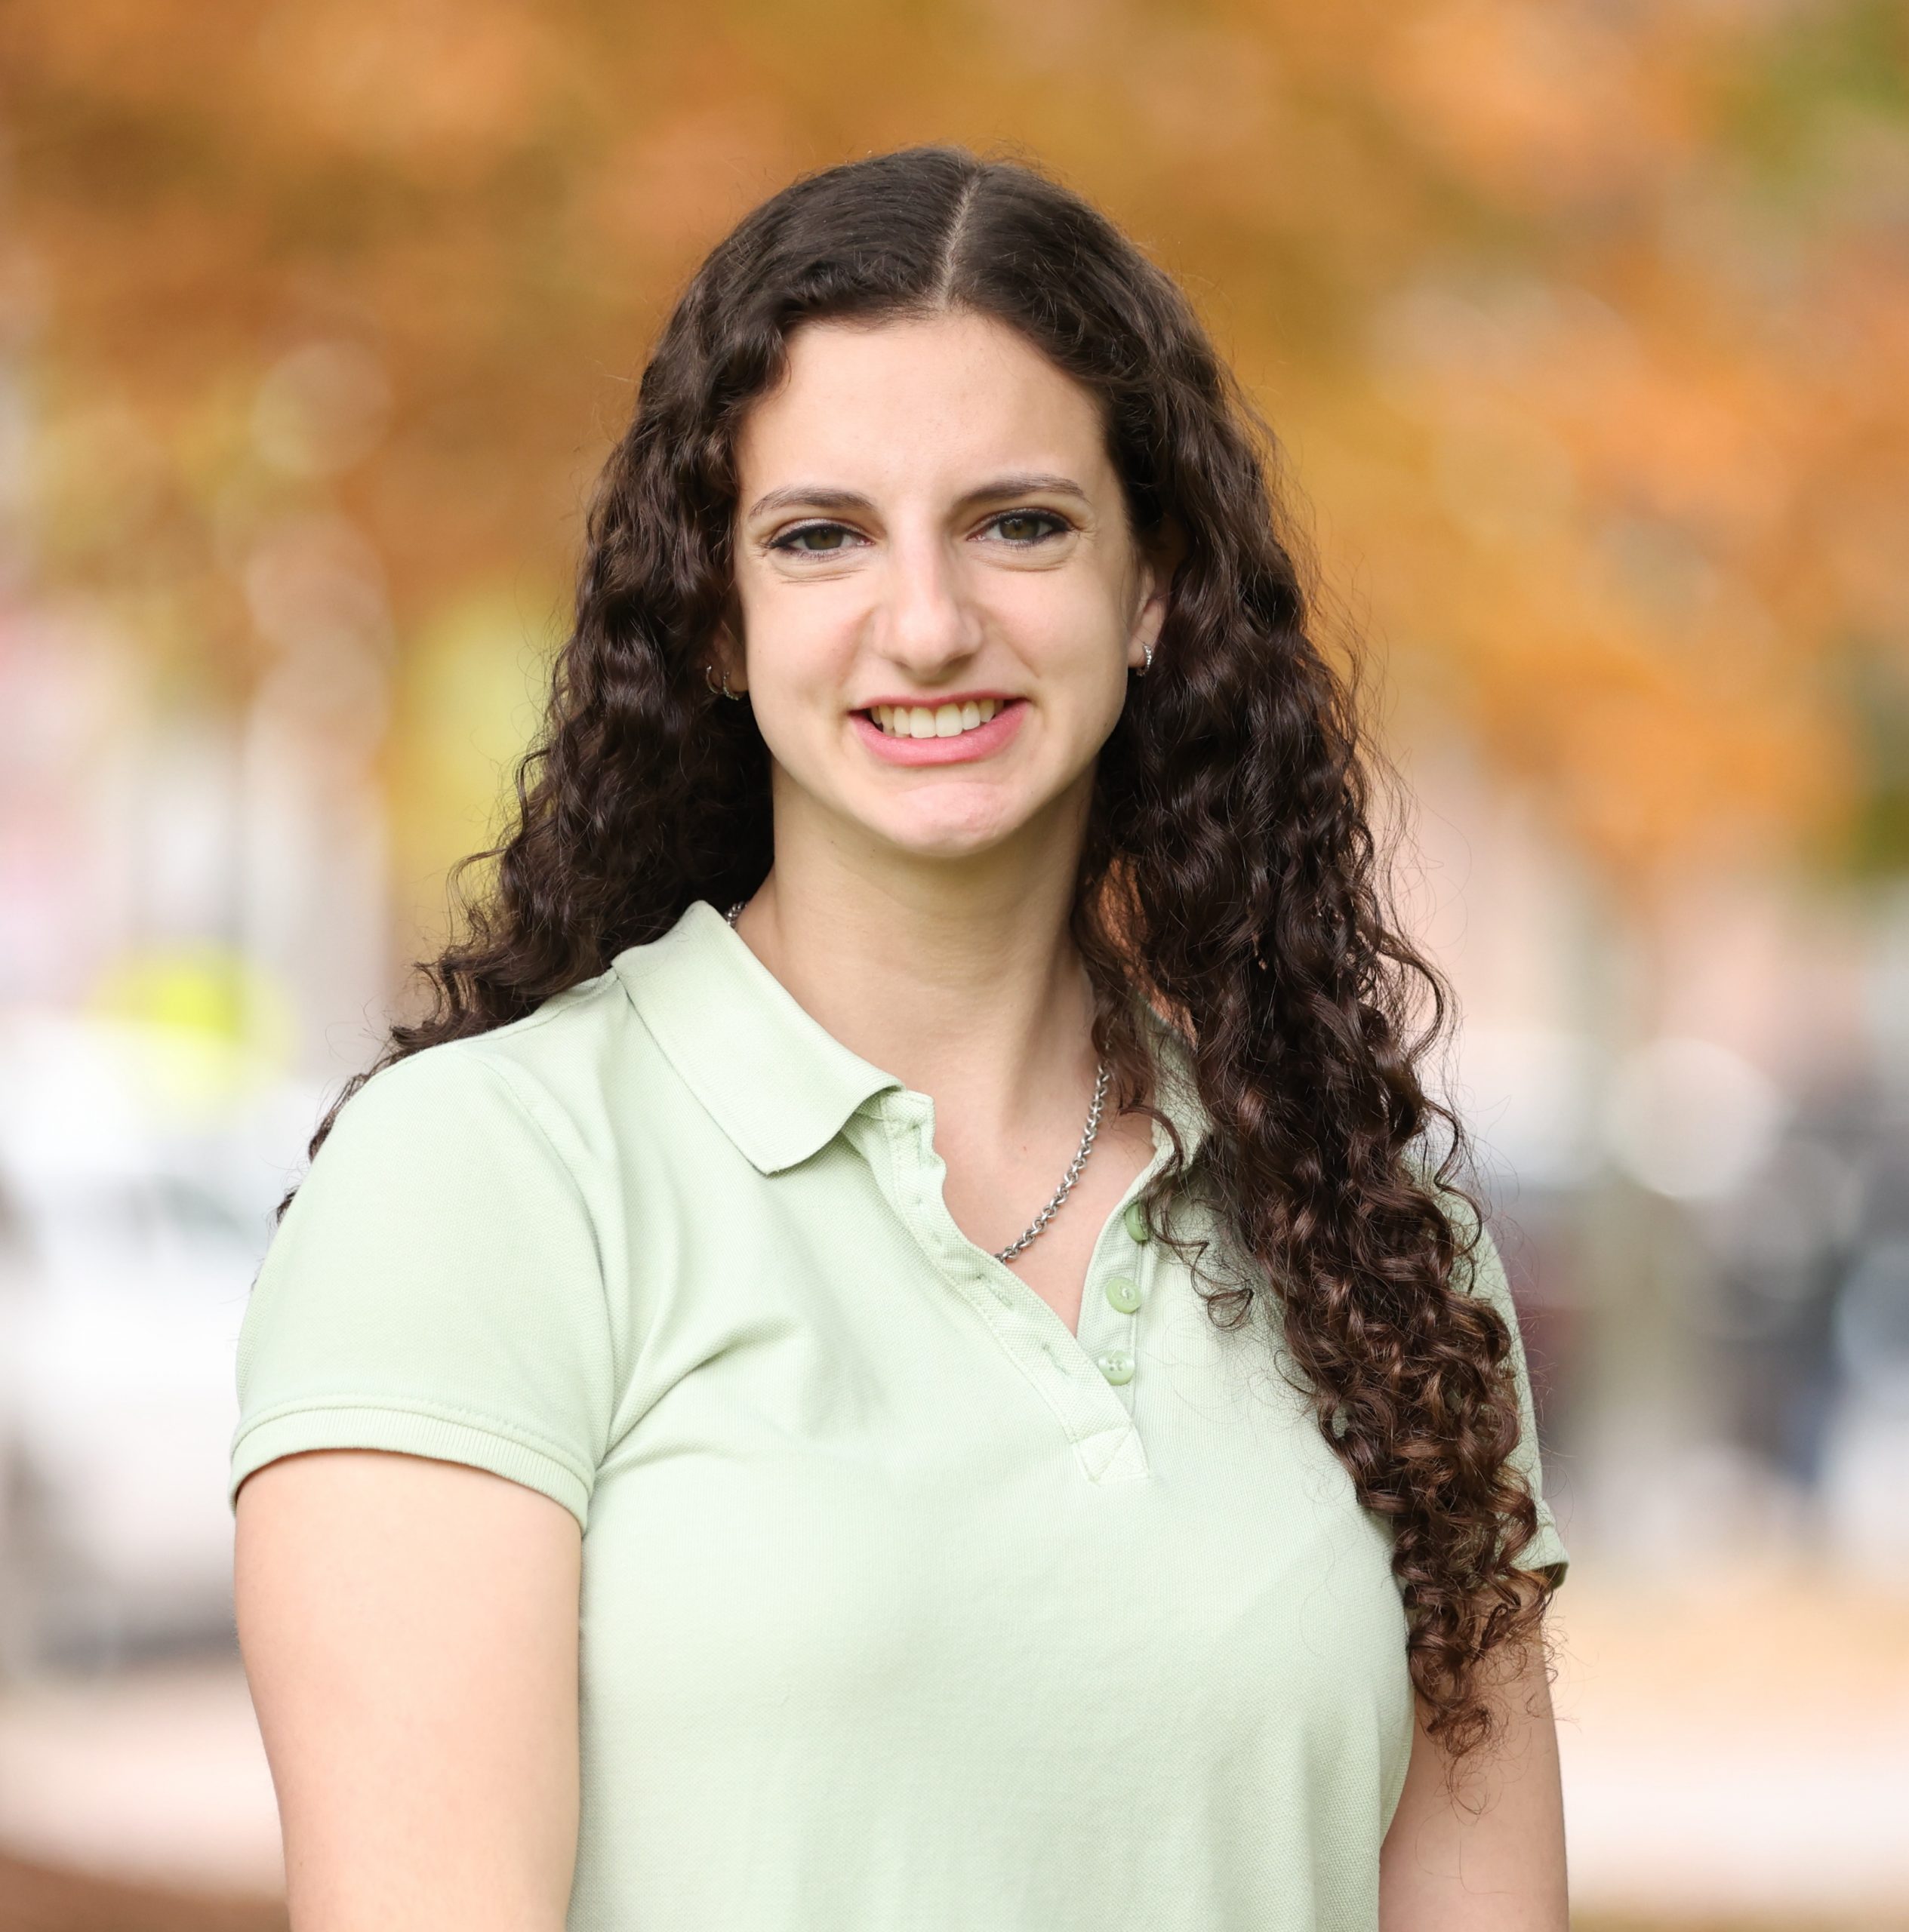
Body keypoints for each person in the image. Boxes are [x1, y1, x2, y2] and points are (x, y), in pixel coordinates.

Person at [229, 143, 1570, 1931]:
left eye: (1019, 523)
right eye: (819, 536)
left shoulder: (1378, 1240)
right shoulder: (486, 1181)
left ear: (1152, 587)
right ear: (714, 606)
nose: (926, 626)